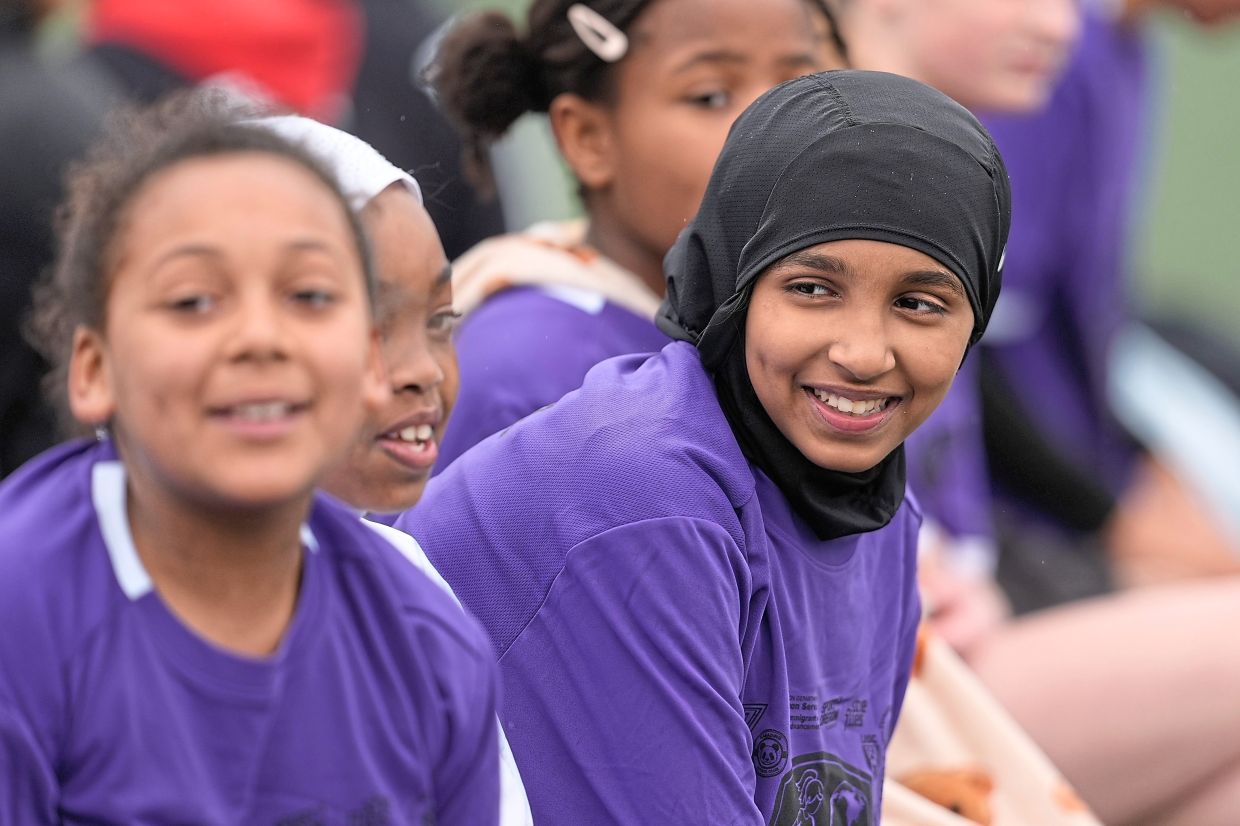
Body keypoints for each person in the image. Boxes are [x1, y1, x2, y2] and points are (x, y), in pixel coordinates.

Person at [399, 69, 1012, 823]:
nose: (863, 351)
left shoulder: (877, 509)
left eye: (920, 304)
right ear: (733, 281)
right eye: (812, 288)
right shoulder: (641, 492)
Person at [0, 95, 500, 824]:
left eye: (310, 296)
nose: (261, 338)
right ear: (94, 368)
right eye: (195, 301)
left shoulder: (427, 645)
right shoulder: (22, 609)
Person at [838, 2, 1240, 821]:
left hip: (988, 581)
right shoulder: (866, 162)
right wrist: (1112, 520)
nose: (1053, 27)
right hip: (909, 673)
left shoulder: (1092, 62)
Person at [257, 112, 533, 825]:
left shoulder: (410, 598)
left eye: (440, 321)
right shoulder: (65, 599)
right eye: (372, 327)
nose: (423, 373)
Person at [427, 0, 846, 467]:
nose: (777, 131)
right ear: (588, 137)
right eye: (710, 96)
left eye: (798, 88)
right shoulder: (532, 371)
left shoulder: (827, 327)